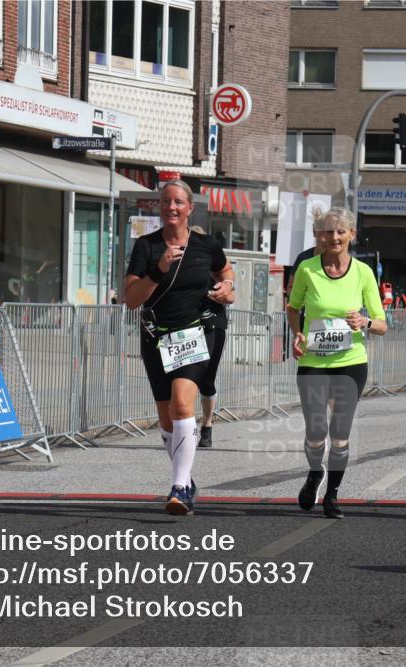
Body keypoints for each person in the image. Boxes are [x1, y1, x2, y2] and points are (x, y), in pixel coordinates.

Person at [124, 180, 236, 515]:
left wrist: (228, 287)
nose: (171, 207)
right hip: (156, 336)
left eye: (177, 202)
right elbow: (131, 299)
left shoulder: (206, 245)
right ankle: (185, 479)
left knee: (183, 403)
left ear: (189, 208)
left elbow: (225, 269)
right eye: (165, 202)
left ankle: (179, 488)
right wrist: (159, 270)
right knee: (167, 418)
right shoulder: (146, 247)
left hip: (194, 334)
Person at [286, 207, 387, 519]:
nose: (334, 237)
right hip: (314, 360)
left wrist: (365, 321)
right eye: (328, 231)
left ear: (351, 235)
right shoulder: (307, 269)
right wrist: (297, 334)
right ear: (319, 235)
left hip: (351, 361)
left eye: (340, 231)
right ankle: (315, 472)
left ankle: (332, 494)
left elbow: (382, 323)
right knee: (316, 431)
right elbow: (293, 307)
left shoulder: (363, 273)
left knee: (339, 432)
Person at [189, 225, 228, 449]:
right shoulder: (180, 268)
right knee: (184, 378)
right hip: (186, 327)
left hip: (214, 326)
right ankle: (185, 427)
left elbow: (230, 295)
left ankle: (207, 425)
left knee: (206, 378)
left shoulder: (216, 269)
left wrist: (219, 291)